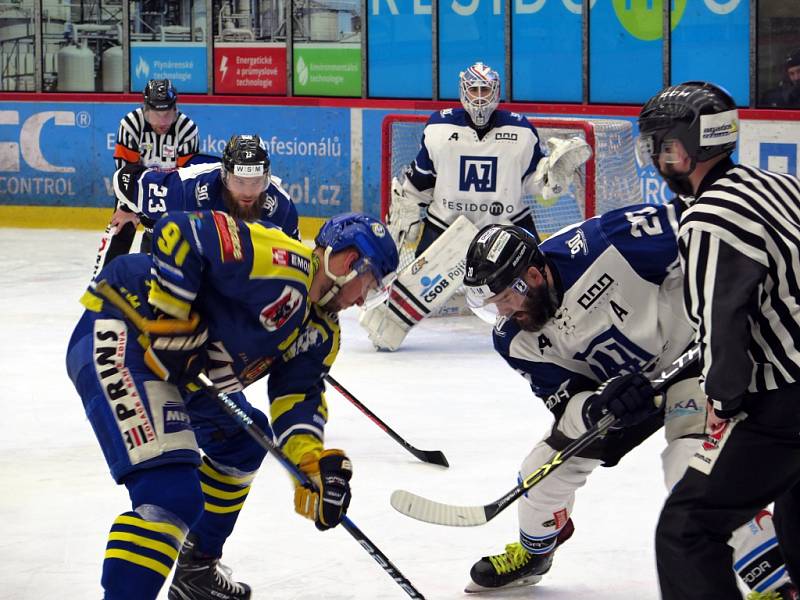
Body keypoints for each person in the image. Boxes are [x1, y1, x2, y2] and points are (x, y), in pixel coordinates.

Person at [459, 209, 795, 598]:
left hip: (692, 365)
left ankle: (775, 581)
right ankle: (537, 553)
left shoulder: (608, 241)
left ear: (534, 275)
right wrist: (597, 406)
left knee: (691, 469)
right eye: (493, 305)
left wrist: (731, 307)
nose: (503, 313)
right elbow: (563, 398)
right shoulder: (512, 339)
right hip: (621, 399)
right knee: (542, 471)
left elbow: (705, 233)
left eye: (505, 299)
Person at [66, 210, 399, 600]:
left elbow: (298, 398)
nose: (362, 301)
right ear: (346, 261)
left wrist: (310, 462)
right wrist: (173, 315)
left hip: (179, 372)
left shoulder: (322, 332)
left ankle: (196, 570)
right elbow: (179, 231)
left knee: (241, 446)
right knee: (169, 495)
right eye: (367, 283)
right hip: (125, 331)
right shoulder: (280, 260)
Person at [635, 81, 800, 600]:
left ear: (689, 147)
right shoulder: (780, 185)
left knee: (687, 529)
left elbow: (722, 323)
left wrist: (723, 402)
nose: (658, 158)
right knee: (796, 512)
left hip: (788, 402)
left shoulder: (707, 217)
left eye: (663, 145)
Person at [360, 61, 591, 351]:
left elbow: (534, 181)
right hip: (446, 222)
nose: (479, 96)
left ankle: (553, 321)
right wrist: (406, 205)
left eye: (484, 88)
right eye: (474, 89)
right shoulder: (439, 127)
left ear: (496, 91)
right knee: (415, 287)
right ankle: (387, 325)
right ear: (462, 91)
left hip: (507, 224)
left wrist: (553, 177)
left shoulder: (521, 129)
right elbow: (421, 178)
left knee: (539, 278)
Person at [94, 79, 200, 275]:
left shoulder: (187, 129)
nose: (162, 122)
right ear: (145, 109)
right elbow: (124, 173)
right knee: (120, 230)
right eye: (155, 114)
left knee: (167, 250)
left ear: (175, 109)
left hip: (172, 194)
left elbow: (188, 177)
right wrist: (126, 208)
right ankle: (103, 289)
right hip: (134, 191)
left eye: (167, 114)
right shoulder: (130, 124)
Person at [109, 133, 300, 243]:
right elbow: (125, 179)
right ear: (224, 175)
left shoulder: (282, 208)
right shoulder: (189, 189)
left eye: (256, 182)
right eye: (239, 182)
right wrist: (129, 208)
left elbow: (297, 268)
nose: (248, 192)